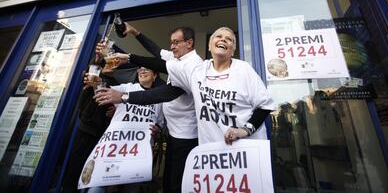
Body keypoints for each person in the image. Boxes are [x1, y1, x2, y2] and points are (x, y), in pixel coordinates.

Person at [95, 27, 275, 146]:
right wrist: (134, 35)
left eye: (229, 39)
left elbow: (265, 105)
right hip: (210, 149)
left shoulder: (241, 68)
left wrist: (245, 130)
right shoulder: (198, 70)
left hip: (242, 146)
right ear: (211, 45)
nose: (223, 39)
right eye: (218, 36)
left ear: (233, 49)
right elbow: (158, 58)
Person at [120, 24, 202, 193]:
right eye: (171, 42)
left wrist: (124, 97)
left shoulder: (193, 65)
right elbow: (157, 51)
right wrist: (135, 32)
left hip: (186, 136)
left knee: (177, 182)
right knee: (167, 177)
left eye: (176, 42)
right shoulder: (177, 57)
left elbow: (166, 93)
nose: (172, 47)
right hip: (173, 131)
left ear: (189, 43)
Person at [88, 66, 164, 193]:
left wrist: (157, 130)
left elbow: (160, 124)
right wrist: (97, 80)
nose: (142, 71)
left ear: (155, 76)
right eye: (140, 70)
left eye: (147, 69)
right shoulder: (127, 88)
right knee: (97, 186)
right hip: (114, 148)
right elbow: (102, 91)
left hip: (138, 152)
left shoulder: (159, 99)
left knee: (131, 189)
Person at [61, 59, 116, 193]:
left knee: (91, 169)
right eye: (108, 62)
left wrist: (115, 109)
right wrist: (97, 61)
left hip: (102, 134)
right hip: (86, 127)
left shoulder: (116, 84)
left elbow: (120, 103)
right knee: (74, 166)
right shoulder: (93, 76)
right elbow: (89, 72)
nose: (112, 64)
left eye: (114, 63)